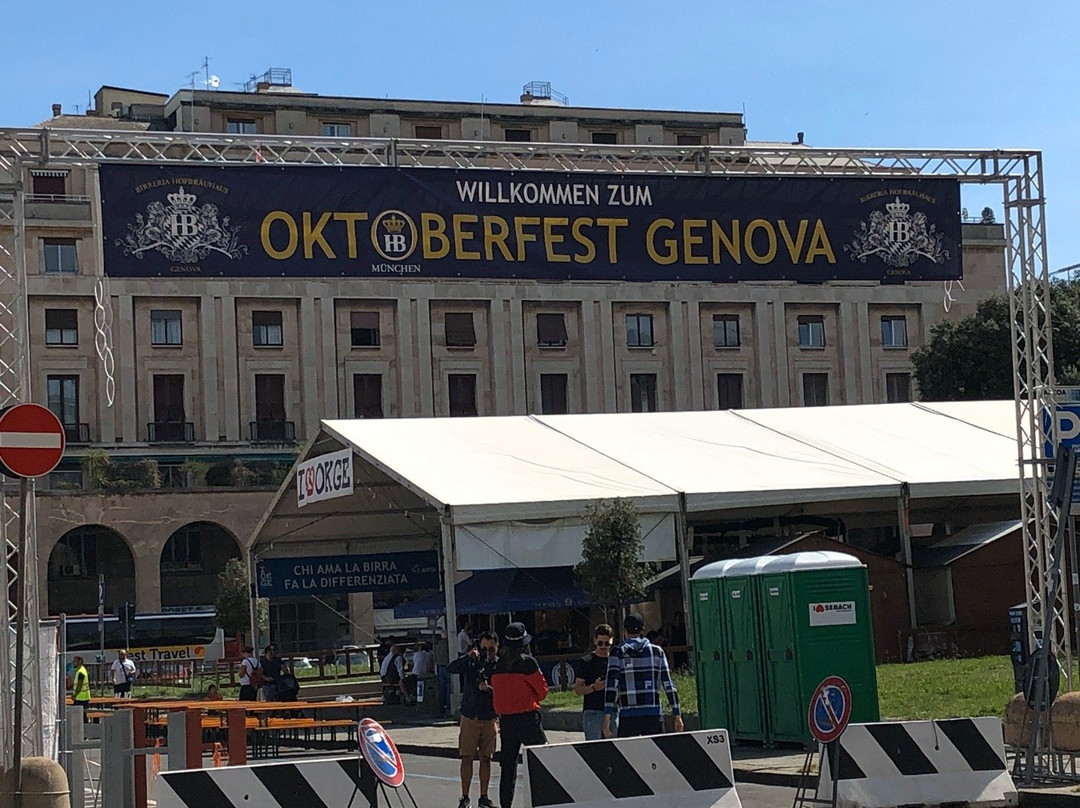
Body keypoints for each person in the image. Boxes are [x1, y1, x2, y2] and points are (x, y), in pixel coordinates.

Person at [493, 622, 548, 808]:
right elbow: (543, 691)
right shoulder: (528, 663)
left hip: (507, 721)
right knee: (540, 761)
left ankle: (506, 804)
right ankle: (541, 801)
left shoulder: (498, 665)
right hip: (527, 718)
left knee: (508, 767)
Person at [603, 613, 683, 739]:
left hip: (628, 714)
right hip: (653, 713)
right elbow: (668, 684)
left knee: (628, 755)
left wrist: (607, 716)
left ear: (624, 630)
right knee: (657, 755)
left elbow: (611, 686)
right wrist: (677, 714)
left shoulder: (617, 652)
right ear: (642, 630)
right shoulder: (657, 652)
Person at [447, 632, 500, 808]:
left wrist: (489, 689)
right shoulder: (472, 662)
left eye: (491, 649)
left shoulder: (499, 665)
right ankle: (465, 796)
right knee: (467, 757)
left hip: (489, 717)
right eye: (484, 649)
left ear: (497, 648)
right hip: (470, 715)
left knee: (486, 758)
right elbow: (451, 668)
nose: (487, 653)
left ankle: (484, 796)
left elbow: (503, 691)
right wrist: (468, 657)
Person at [574, 624, 615, 741]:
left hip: (613, 710)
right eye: (600, 643)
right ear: (595, 641)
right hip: (593, 710)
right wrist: (593, 687)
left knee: (616, 748)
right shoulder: (587, 661)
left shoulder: (615, 660)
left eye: (607, 643)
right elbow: (578, 689)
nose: (603, 646)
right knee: (594, 749)